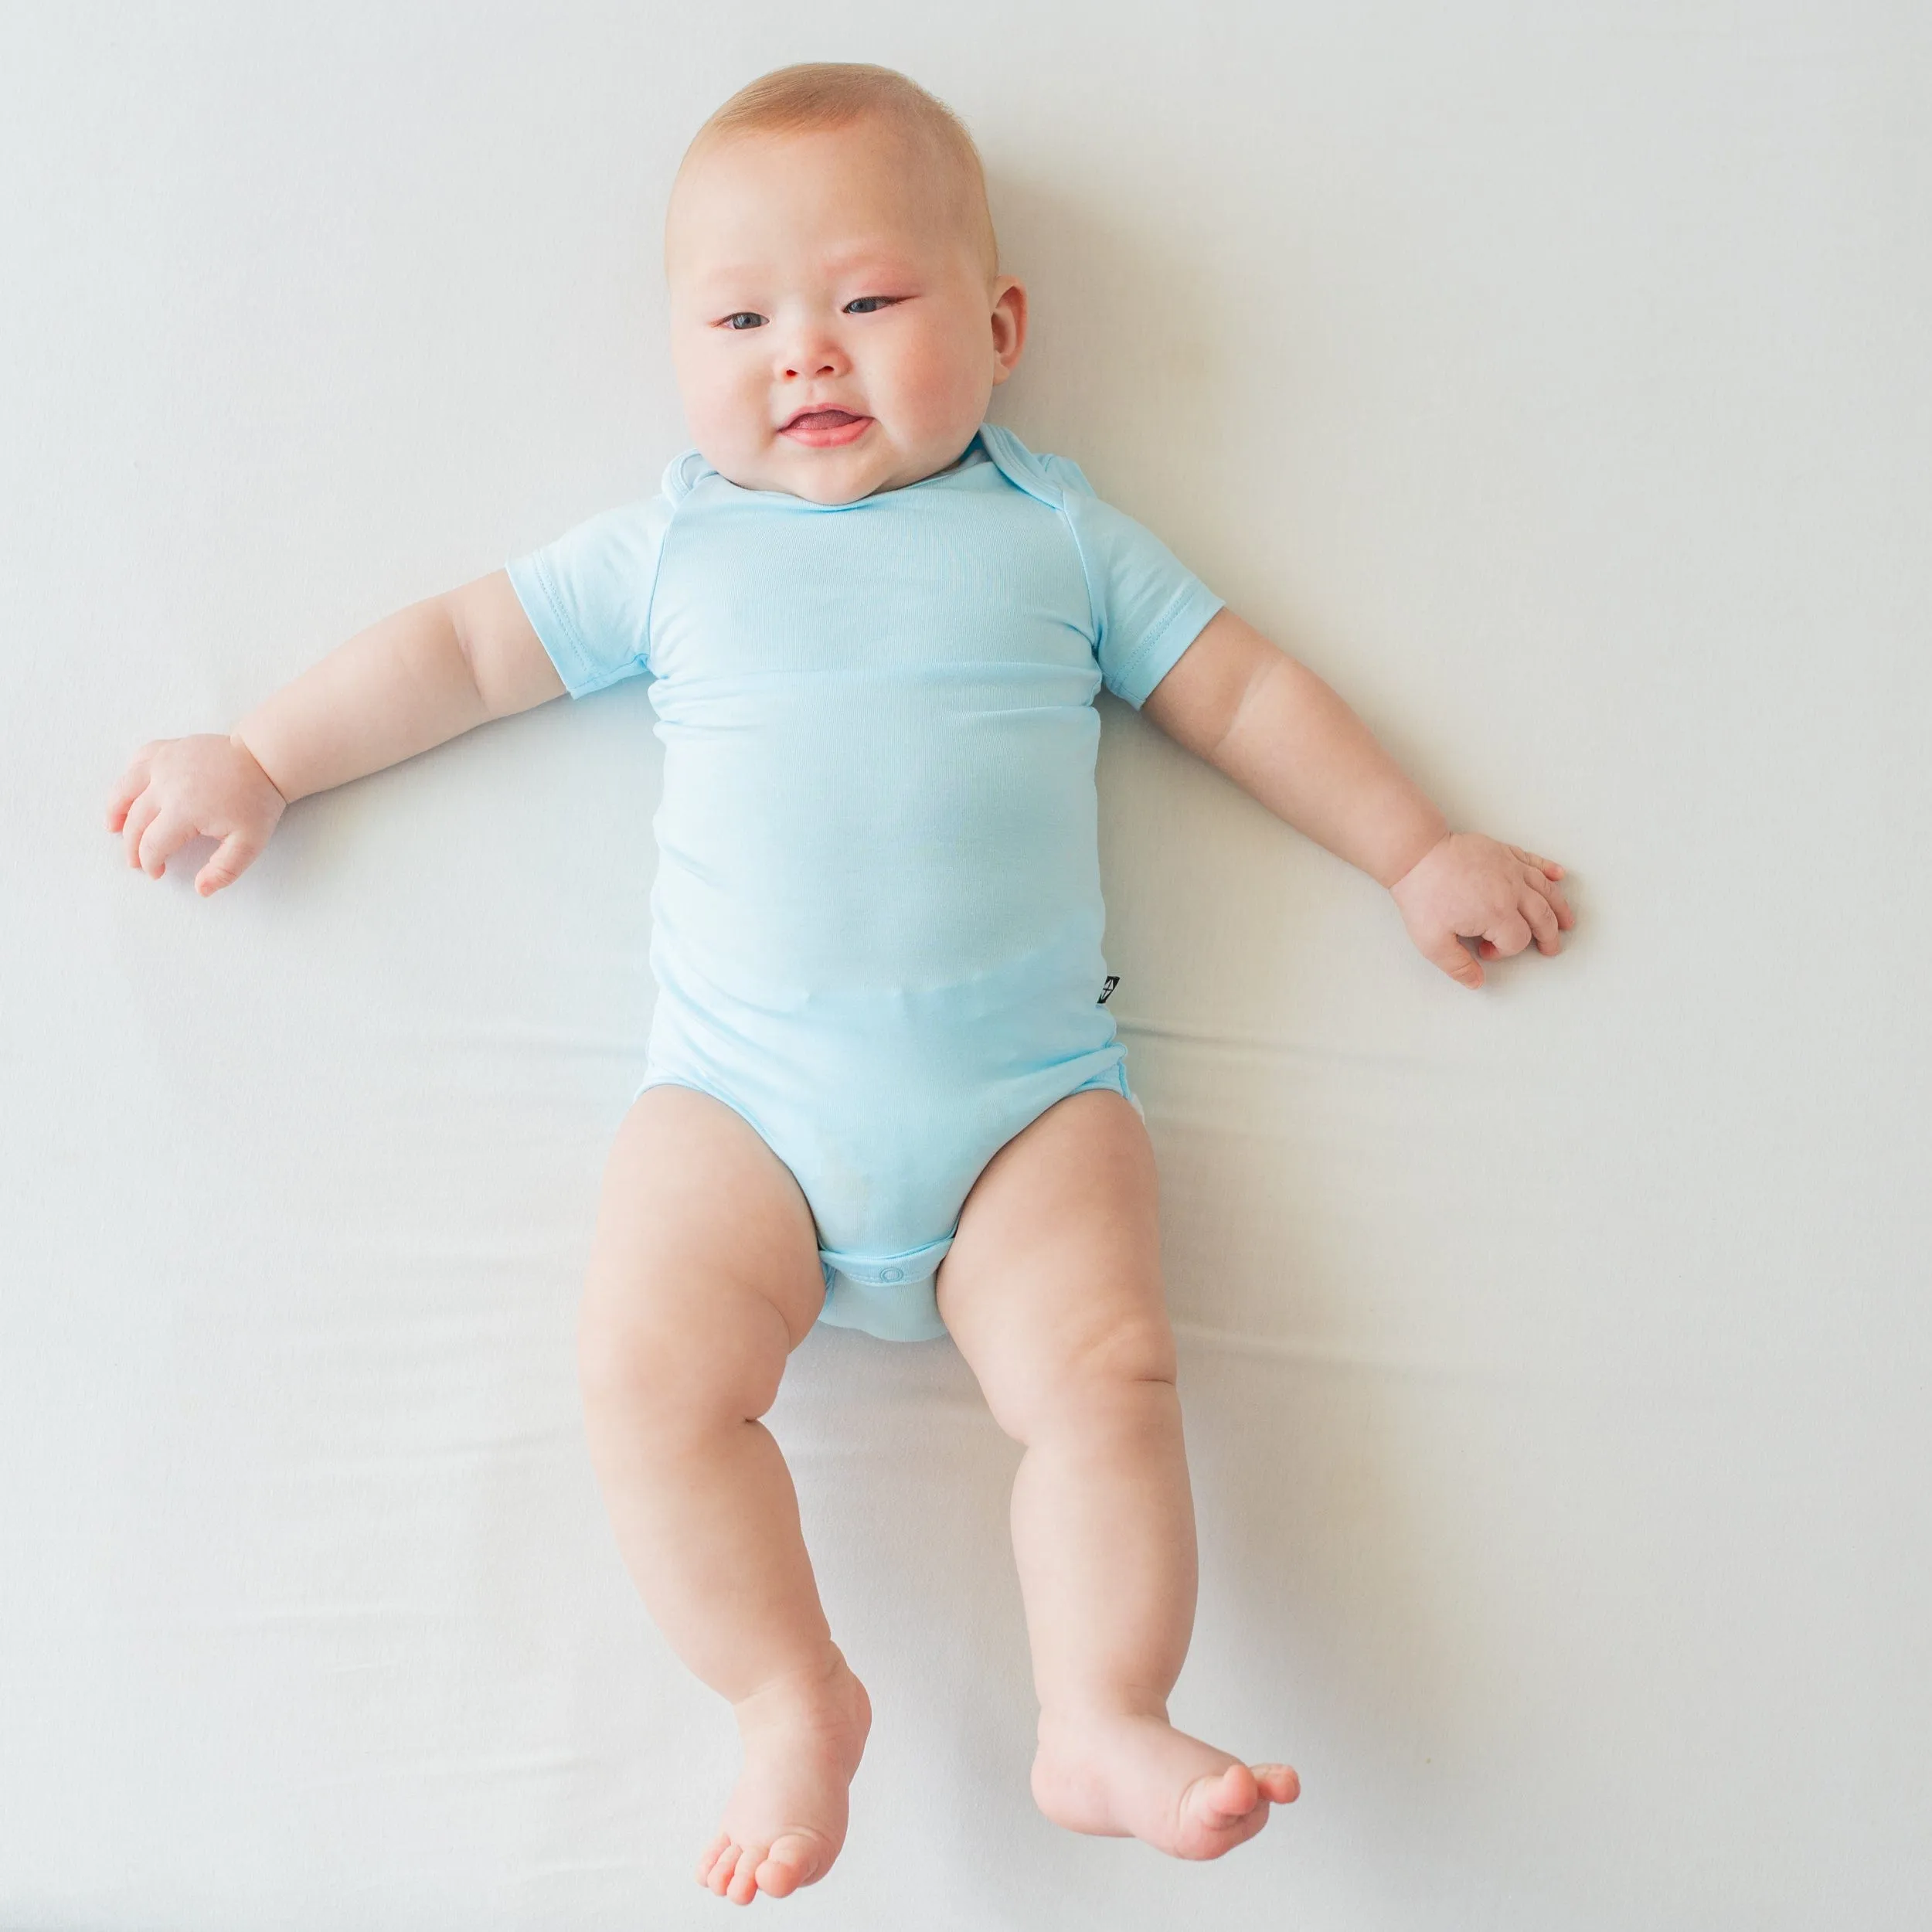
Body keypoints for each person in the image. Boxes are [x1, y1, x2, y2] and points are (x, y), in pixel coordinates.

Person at [107, 61, 1574, 1909]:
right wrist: (262, 754)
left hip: (1026, 1105)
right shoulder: (671, 548)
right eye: (741, 320)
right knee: (645, 1380)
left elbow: (1242, 693)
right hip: (738, 1110)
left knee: (1106, 1379)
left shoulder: (1053, 534)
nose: (806, 355)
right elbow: (464, 649)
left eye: (867, 302)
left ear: (999, 323)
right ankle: (788, 1688)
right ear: (676, 350)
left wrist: (1409, 845)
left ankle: (1102, 1705)